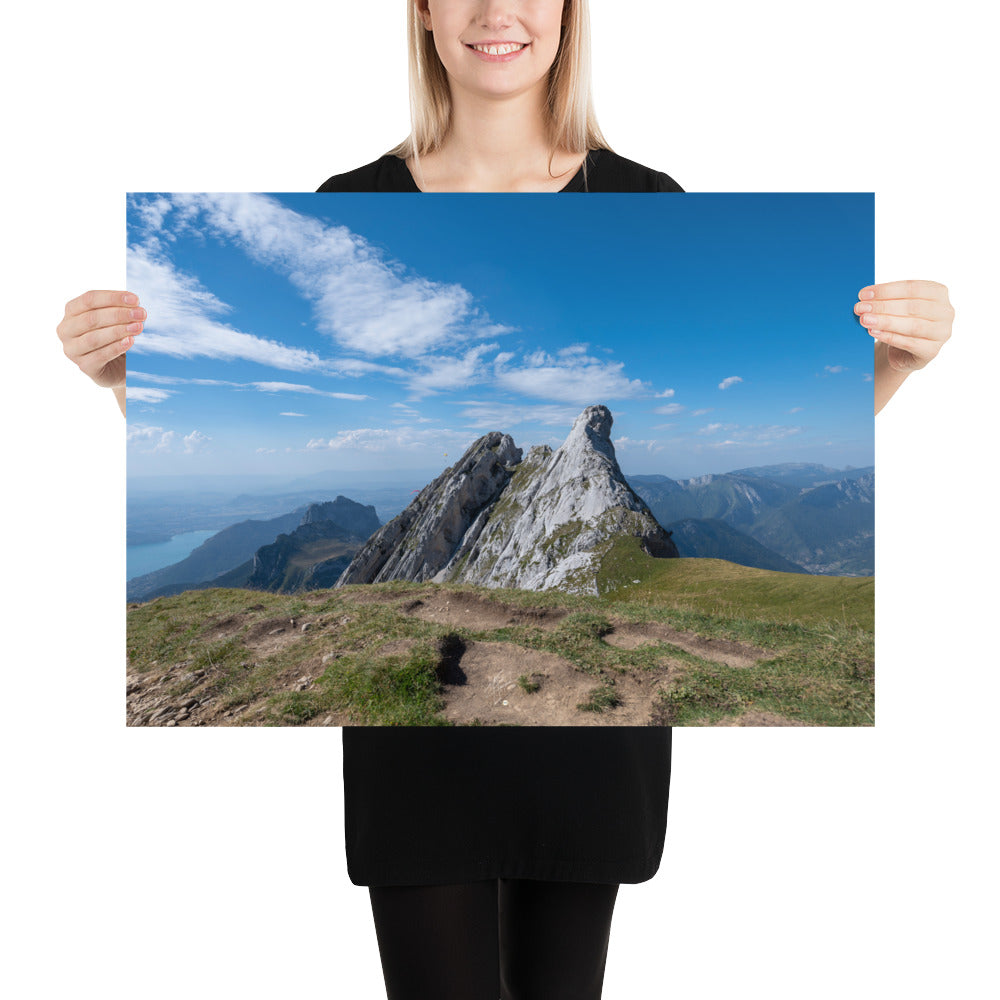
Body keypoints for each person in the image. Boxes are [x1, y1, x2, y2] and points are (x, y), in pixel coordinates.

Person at [55, 2, 954, 998]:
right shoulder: (347, 198)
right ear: (424, 13)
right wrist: (125, 379)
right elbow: (191, 405)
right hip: (417, 768)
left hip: (591, 766)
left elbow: (843, 394)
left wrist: (894, 367)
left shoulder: (648, 196)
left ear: (570, 13)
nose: (496, 11)